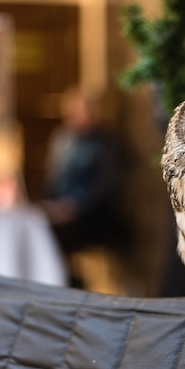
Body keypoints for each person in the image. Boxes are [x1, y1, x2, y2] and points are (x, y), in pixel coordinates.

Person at [40, 88, 126, 290]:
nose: (82, 116)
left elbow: (104, 188)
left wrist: (73, 207)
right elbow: (52, 179)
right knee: (38, 226)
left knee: (51, 235)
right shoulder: (62, 139)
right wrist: (50, 205)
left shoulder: (105, 144)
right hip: (59, 208)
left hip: (91, 215)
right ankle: (57, 279)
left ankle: (67, 283)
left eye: (86, 111)